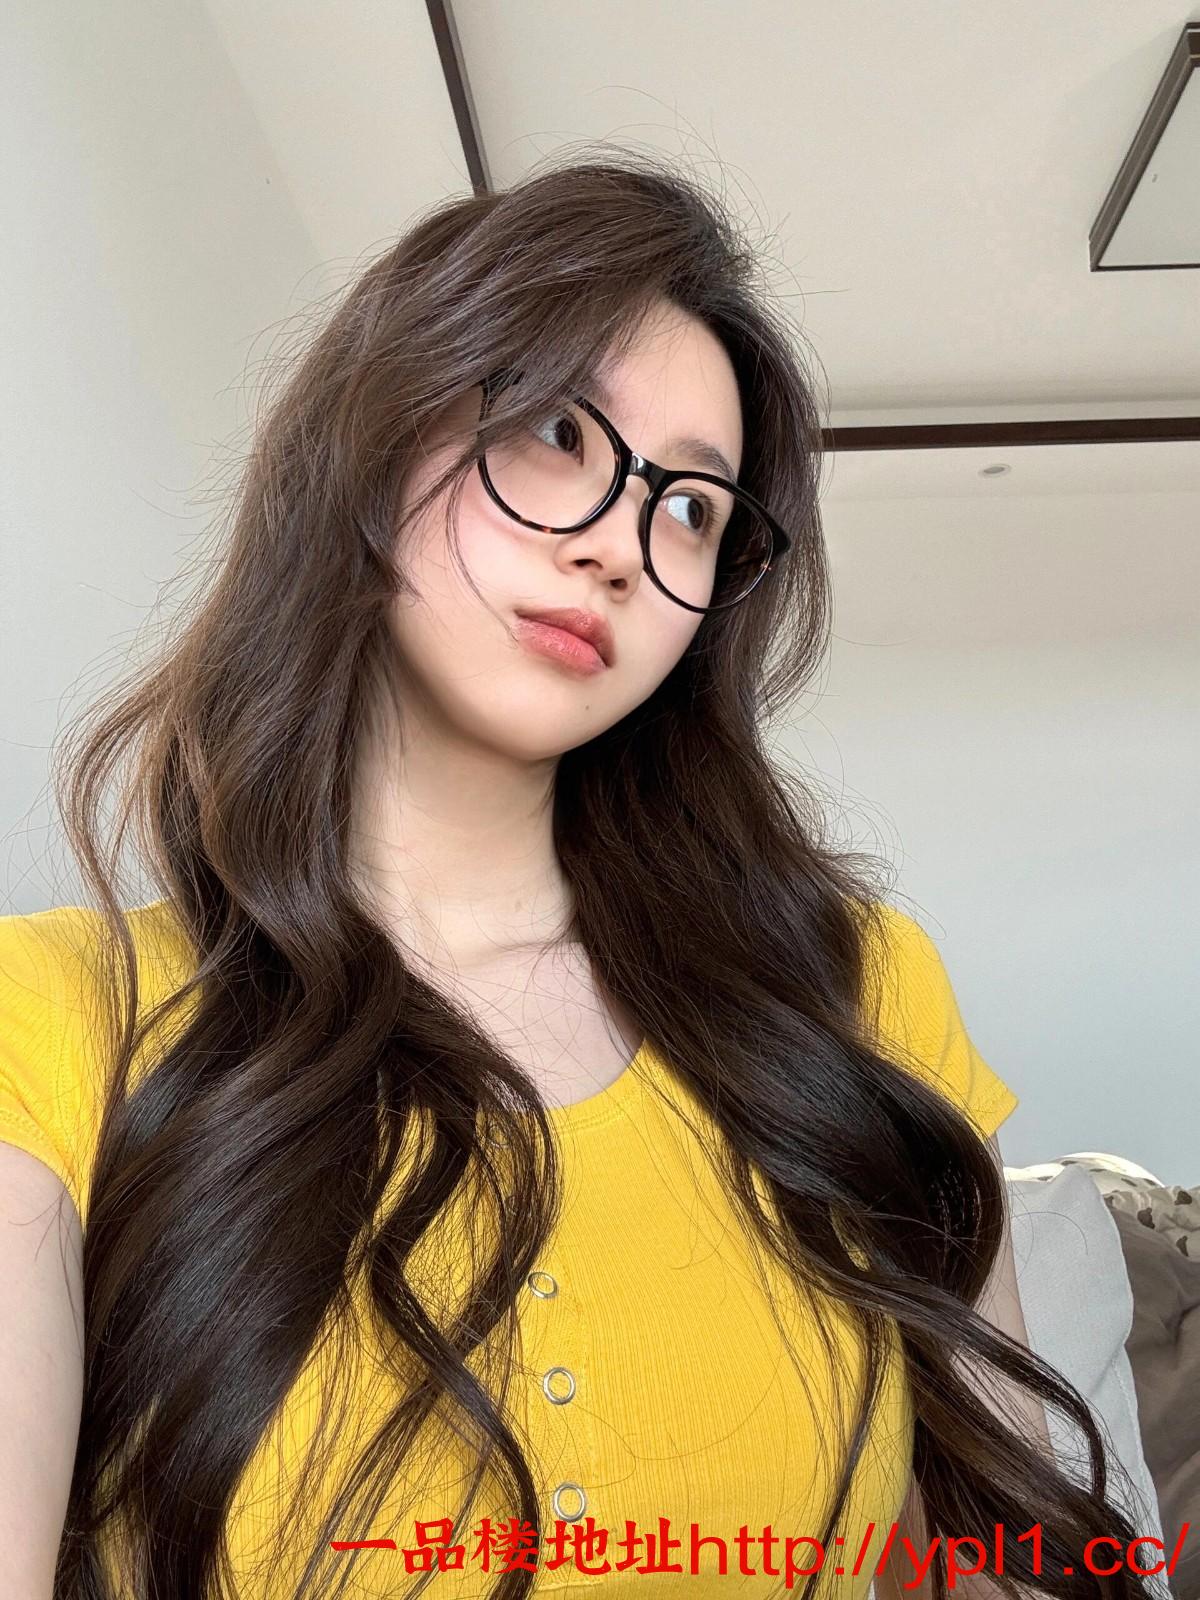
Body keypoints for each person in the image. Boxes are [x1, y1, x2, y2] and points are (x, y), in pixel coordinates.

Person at [0, 151, 1154, 1600]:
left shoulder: (855, 989)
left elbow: (1009, 1560)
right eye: (558, 430)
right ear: (375, 434)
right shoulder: (57, 1019)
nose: (621, 543)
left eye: (694, 510)